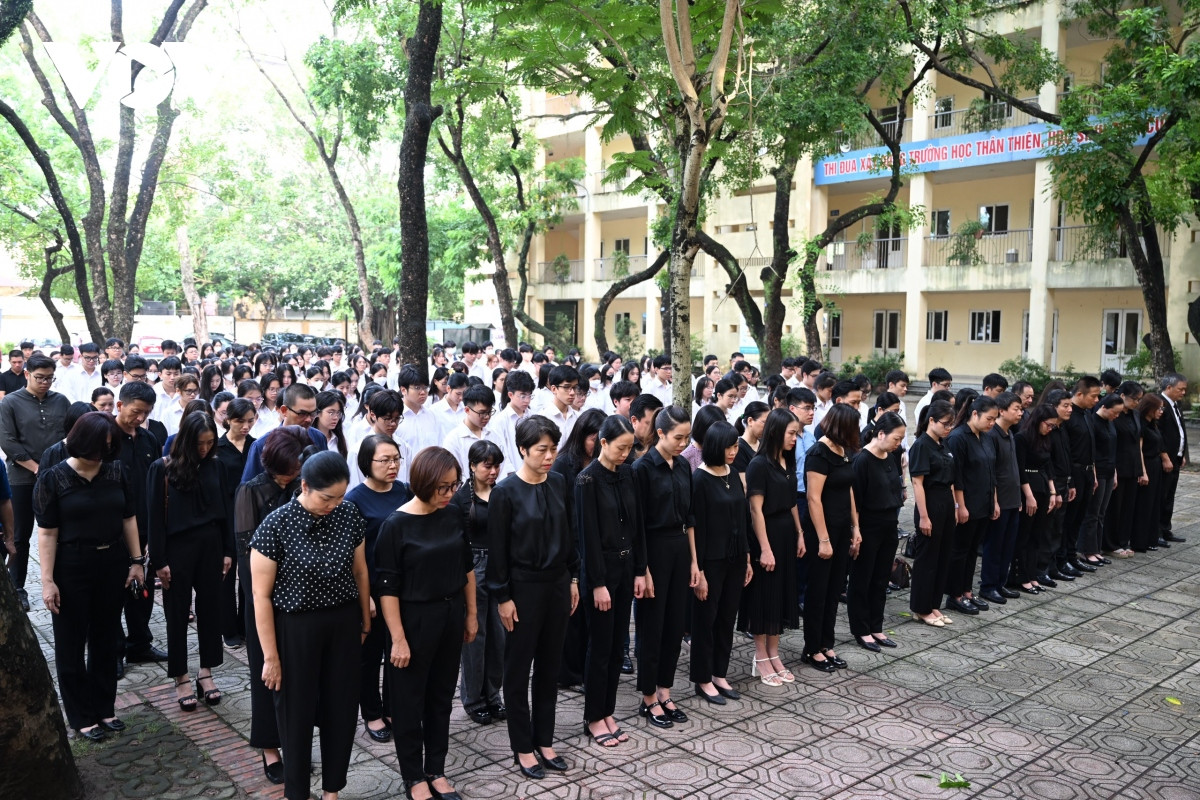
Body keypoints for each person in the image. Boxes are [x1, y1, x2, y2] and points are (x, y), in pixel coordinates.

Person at [251, 450, 371, 800]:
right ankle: (296, 791)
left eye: (339, 497)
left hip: (343, 621)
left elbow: (360, 570)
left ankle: (332, 789)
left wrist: (364, 617)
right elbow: (261, 597)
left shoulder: (348, 514)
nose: (333, 504)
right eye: (326, 498)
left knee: (342, 707)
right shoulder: (276, 524)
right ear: (304, 486)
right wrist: (270, 657)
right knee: (296, 712)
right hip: (296, 627)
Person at [35, 412, 145, 741]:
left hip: (112, 562)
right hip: (71, 565)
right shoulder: (53, 478)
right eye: (98, 446)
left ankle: (105, 708)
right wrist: (47, 580)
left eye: (108, 447)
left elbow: (129, 518)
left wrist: (137, 561)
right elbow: (47, 534)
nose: (102, 453)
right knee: (70, 642)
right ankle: (81, 716)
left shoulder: (116, 471)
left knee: (106, 638)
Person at [376, 447, 476, 800]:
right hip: (413, 620)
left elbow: (467, 569)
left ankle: (436, 768)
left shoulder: (450, 516)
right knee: (407, 702)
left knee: (440, 697)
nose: (450, 494)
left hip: (450, 614)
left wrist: (471, 614)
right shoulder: (396, 525)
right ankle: (413, 777)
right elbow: (386, 588)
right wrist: (398, 638)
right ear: (423, 482)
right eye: (443, 487)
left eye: (454, 486)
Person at [488, 416, 580, 779]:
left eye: (553, 449)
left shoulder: (558, 482)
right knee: (517, 667)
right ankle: (522, 746)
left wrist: (572, 579)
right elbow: (497, 551)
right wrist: (503, 597)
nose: (549, 456)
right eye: (541, 449)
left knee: (549, 665)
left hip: (558, 583)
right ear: (523, 449)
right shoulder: (505, 492)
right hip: (522, 588)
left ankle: (544, 739)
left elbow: (570, 534)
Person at [234, 426, 309, 784]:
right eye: (287, 470)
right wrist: (264, 598)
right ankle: (269, 746)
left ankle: (296, 743)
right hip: (263, 596)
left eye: (296, 470)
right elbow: (247, 557)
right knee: (266, 670)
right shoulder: (250, 492)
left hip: (301, 596)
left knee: (298, 675)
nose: (292, 476)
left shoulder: (302, 487)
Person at [148, 412, 234, 711]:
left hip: (211, 544)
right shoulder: (162, 468)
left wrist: (227, 550)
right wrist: (158, 560)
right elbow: (155, 518)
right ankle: (181, 675)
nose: (205, 448)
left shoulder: (217, 466)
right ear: (186, 440)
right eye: (200, 443)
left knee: (211, 610)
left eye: (211, 443)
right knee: (176, 612)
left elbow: (226, 511)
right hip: (177, 547)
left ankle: (206, 671)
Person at [576, 415, 646, 745]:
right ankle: (593, 716)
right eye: (620, 448)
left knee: (619, 648)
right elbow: (587, 538)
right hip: (601, 575)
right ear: (602, 443)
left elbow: (637, 526)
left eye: (630, 448)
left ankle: (608, 711)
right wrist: (597, 583)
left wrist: (640, 570)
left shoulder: (630, 473)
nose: (626, 454)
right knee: (600, 648)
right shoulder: (586, 481)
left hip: (626, 566)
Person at [345, 434, 413, 743]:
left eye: (396, 459)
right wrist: (364, 597)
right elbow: (350, 555)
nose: (392, 465)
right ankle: (371, 713)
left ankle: (393, 707)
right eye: (384, 460)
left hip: (403, 588)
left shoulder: (406, 492)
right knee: (369, 656)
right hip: (370, 590)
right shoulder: (354, 500)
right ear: (366, 463)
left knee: (398, 651)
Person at [631, 406, 694, 727]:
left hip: (680, 549)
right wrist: (641, 569)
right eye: (677, 437)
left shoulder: (683, 465)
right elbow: (637, 524)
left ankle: (665, 690)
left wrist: (695, 562)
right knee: (651, 627)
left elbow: (691, 517)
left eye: (687, 437)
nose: (683, 443)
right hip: (653, 551)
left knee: (675, 625)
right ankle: (648, 697)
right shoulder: (642, 469)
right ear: (660, 434)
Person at [1, 353, 71, 611]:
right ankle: (17, 587)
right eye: (40, 378)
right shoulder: (10, 402)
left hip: (58, 476)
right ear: (27, 374)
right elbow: (7, 440)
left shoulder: (61, 401)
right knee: (20, 536)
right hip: (21, 478)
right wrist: (36, 468)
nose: (45, 383)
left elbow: (69, 434)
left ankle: (60, 581)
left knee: (61, 530)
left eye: (49, 378)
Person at [689, 421, 751, 702]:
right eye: (729, 446)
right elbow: (696, 528)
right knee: (706, 620)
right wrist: (698, 570)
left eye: (736, 446)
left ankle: (719, 673)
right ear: (715, 446)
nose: (733, 452)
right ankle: (702, 678)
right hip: (710, 560)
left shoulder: (733, 474)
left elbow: (743, 517)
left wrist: (747, 557)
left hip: (736, 557)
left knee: (727, 617)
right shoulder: (700, 479)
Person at [452, 440, 507, 727]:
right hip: (473, 565)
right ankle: (473, 698)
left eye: (497, 465)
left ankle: (493, 695)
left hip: (499, 566)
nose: (493, 471)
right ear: (473, 466)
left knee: (498, 636)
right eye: (487, 465)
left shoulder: (503, 494)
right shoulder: (461, 498)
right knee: (475, 635)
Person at [799, 403, 857, 671]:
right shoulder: (818, 453)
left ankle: (827, 643)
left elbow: (849, 491)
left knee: (834, 589)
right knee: (818, 591)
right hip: (822, 531)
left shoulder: (843, 451)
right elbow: (813, 498)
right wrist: (823, 539)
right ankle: (812, 648)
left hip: (842, 528)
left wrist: (856, 527)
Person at [848, 411, 905, 651]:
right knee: (863, 578)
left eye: (901, 439)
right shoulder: (862, 460)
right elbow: (856, 502)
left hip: (889, 524)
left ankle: (876, 626)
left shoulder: (890, 457)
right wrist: (856, 532)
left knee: (881, 578)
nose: (898, 444)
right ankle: (861, 629)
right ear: (880, 434)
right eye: (896, 438)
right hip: (868, 525)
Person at [944, 395, 999, 615]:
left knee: (972, 551)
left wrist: (994, 501)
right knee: (960, 550)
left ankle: (967, 590)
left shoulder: (985, 437)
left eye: (995, 419)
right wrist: (961, 506)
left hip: (984, 502)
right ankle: (954, 594)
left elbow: (991, 472)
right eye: (989, 418)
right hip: (967, 503)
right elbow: (957, 476)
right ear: (974, 414)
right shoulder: (958, 438)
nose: (992, 423)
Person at [908, 400, 957, 625]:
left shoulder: (942, 444)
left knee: (943, 557)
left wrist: (955, 506)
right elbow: (918, 483)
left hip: (946, 501)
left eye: (951, 424)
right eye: (945, 424)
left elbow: (951, 481)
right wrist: (924, 516)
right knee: (927, 558)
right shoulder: (922, 445)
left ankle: (933, 604)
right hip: (930, 501)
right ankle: (921, 607)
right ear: (931, 421)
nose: (948, 428)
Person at [979, 392, 1024, 607]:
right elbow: (992, 472)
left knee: (1008, 545)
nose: (1020, 413)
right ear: (1002, 410)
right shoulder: (992, 435)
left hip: (1013, 499)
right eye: (1016, 408)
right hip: (1000, 501)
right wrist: (995, 501)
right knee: (994, 546)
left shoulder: (1010, 433)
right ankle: (988, 586)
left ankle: (1000, 583)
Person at [1014, 405, 1060, 594]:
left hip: (1042, 485)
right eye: (1049, 425)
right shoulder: (1022, 438)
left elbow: (1048, 465)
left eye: (1053, 427)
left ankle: (1032, 575)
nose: (1050, 429)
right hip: (1028, 488)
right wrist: (1029, 496)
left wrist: (1052, 492)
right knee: (1024, 534)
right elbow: (1020, 468)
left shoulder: (1046, 439)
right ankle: (1020, 576)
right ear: (1039, 421)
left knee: (1037, 535)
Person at [242, 384, 328, 482]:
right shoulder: (262, 445)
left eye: (313, 413)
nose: (309, 419)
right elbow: (248, 489)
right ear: (284, 411)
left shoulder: (319, 438)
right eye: (302, 414)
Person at [1078, 393, 1124, 567]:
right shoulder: (1093, 422)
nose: (1117, 416)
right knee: (1092, 513)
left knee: (1101, 513)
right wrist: (1095, 475)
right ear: (1104, 407)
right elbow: (1092, 452)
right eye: (1115, 412)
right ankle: (1086, 549)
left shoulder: (1110, 424)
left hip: (1110, 470)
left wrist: (1115, 473)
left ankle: (1096, 548)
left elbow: (1113, 450)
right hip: (1098, 471)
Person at [1104, 382, 1146, 557]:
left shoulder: (1135, 415)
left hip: (1133, 466)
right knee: (1115, 507)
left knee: (1129, 506)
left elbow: (1138, 442)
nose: (1137, 402)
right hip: (1118, 466)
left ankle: (1123, 540)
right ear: (1122, 396)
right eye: (1134, 399)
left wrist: (1142, 469)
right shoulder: (1114, 417)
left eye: (1139, 399)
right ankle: (1111, 544)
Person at [1133, 393, 1169, 553]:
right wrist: (1143, 472)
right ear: (1150, 408)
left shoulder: (1153, 424)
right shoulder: (1141, 424)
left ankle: (1151, 537)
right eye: (1159, 408)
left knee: (1154, 503)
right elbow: (1139, 450)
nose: (1161, 411)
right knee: (1144, 504)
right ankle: (1139, 540)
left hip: (1155, 465)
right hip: (1146, 464)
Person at [442, 384, 498, 480]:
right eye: (482, 413)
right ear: (467, 410)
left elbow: (503, 467)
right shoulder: (453, 439)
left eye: (489, 412)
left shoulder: (494, 435)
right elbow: (454, 475)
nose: (487, 416)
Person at [1159, 372, 1189, 545]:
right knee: (1161, 496)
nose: (1183, 393)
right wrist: (1164, 456)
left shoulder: (1175, 405)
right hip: (1165, 460)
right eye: (1181, 389)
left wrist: (1181, 453)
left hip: (1176, 457)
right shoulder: (1160, 404)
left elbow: (1179, 431)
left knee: (1170, 495)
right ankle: (1157, 531)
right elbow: (1158, 434)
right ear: (1169, 387)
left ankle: (1165, 528)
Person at [487, 368, 534, 479]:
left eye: (529, 395)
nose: (527, 400)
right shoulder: (500, 421)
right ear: (510, 394)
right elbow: (501, 453)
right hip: (511, 477)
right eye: (522, 396)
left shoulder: (533, 416)